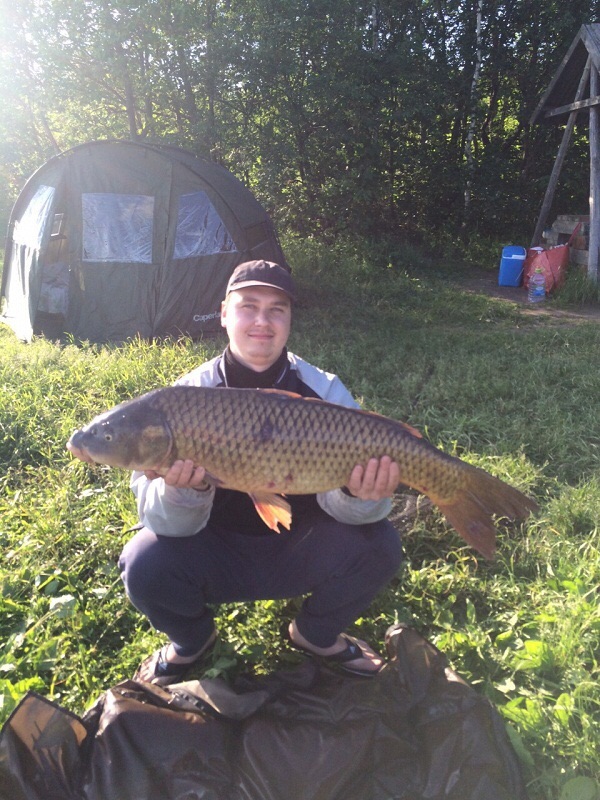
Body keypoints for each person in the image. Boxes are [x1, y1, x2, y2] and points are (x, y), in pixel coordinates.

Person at [117, 260, 404, 684]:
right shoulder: (183, 400)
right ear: (223, 314)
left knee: (381, 544)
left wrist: (361, 496)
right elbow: (159, 521)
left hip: (302, 548)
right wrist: (185, 491)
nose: (261, 322)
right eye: (248, 306)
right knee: (143, 563)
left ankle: (315, 635)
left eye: (277, 310)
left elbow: (357, 512)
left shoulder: (324, 391)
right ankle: (193, 642)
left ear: (289, 320)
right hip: (215, 553)